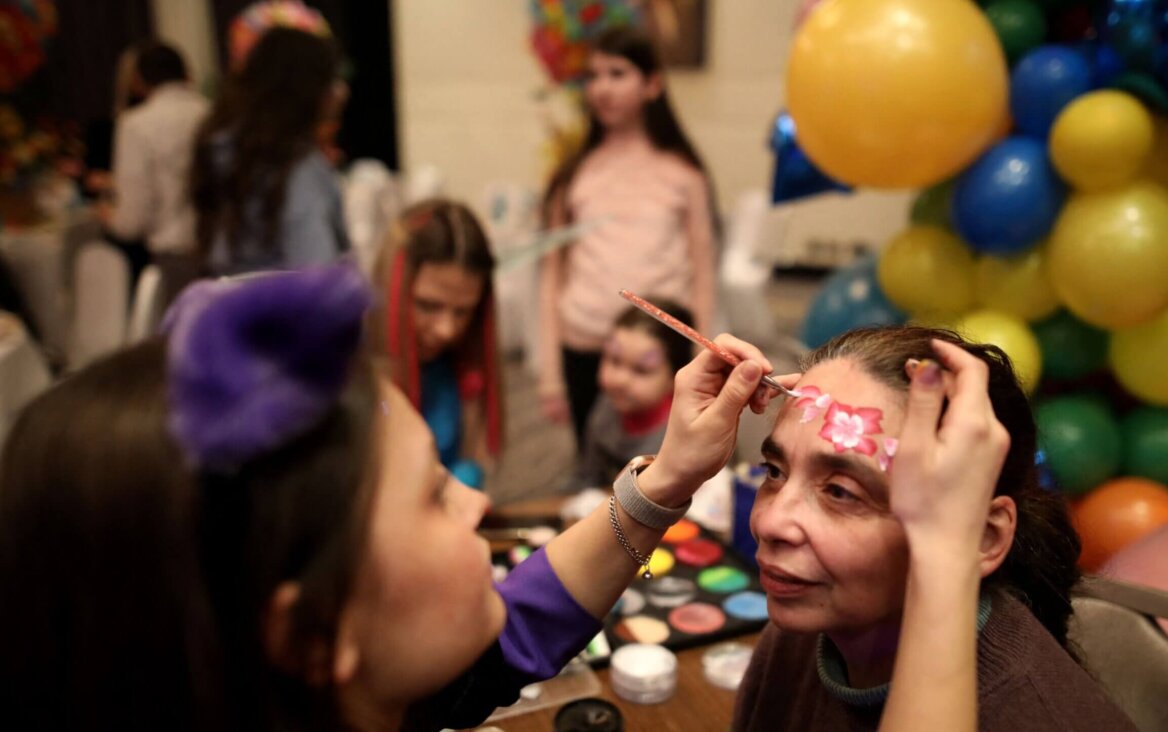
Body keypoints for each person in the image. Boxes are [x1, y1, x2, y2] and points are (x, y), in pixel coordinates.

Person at [0, 263, 779, 731]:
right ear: (311, 635)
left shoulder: (344, 688)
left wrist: (670, 477)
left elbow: (509, 637)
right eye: (433, 497)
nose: (477, 506)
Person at [733, 326, 1136, 731]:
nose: (770, 521)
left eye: (840, 491)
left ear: (983, 537)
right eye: (774, 471)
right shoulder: (811, 628)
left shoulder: (1032, 716)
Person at [538, 26, 716, 446]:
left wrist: (702, 355)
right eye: (593, 76)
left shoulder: (683, 174)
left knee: (658, 465)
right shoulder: (573, 174)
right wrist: (549, 373)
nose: (601, 88)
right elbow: (551, 277)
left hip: (657, 351)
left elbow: (704, 273)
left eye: (617, 73)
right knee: (592, 462)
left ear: (652, 84)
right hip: (583, 344)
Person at [190, 27, 349, 276]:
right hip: (287, 311)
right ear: (309, 90)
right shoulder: (297, 168)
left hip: (230, 306)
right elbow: (317, 275)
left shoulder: (223, 150)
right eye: (331, 81)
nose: (340, 91)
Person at [373, 199, 502, 489]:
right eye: (428, 305)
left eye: (462, 312)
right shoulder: (350, 375)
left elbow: (473, 459)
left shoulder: (463, 365)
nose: (446, 330)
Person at [95, 41, 210, 280]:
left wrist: (108, 216)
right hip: (219, 250)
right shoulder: (212, 112)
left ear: (138, 80)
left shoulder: (136, 124)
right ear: (187, 73)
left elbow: (132, 221)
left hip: (174, 255)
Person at [569, 298, 694, 490]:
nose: (620, 380)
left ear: (677, 376)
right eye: (614, 360)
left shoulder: (681, 437)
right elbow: (587, 476)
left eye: (641, 370)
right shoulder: (606, 407)